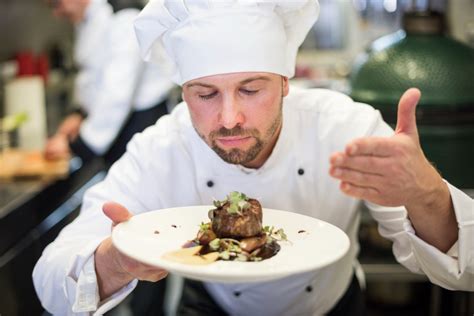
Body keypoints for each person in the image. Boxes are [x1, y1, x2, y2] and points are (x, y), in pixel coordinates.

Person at [33, 0, 474, 315]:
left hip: (331, 306)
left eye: (251, 89)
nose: (229, 119)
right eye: (204, 94)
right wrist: (114, 261)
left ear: (285, 82)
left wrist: (428, 194)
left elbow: (464, 272)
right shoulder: (164, 146)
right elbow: (51, 281)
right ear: (183, 93)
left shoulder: (344, 128)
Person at [44, 0, 175, 165]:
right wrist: (80, 114)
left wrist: (80, 145)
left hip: (141, 126)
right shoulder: (88, 18)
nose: (56, 14)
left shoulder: (124, 16)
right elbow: (93, 75)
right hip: (118, 126)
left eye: (56, 4)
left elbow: (118, 93)